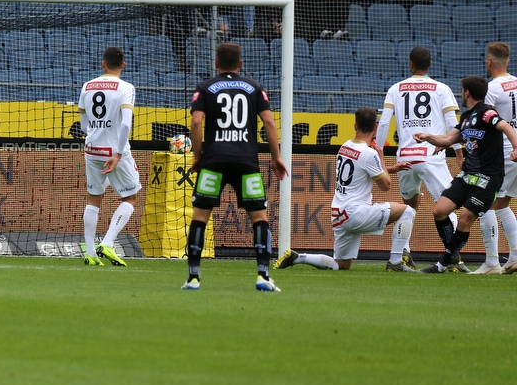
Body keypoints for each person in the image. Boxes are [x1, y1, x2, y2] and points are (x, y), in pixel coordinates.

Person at [184, 42, 289, 291]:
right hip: (246, 161)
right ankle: (263, 275)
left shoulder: (205, 87)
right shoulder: (254, 87)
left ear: (216, 63)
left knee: (200, 217)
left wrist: (198, 156)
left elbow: (196, 123)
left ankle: (193, 278)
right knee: (259, 218)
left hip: (213, 162)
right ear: (240, 64)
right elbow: (269, 123)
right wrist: (276, 157)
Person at [375, 46, 483, 272]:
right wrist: (459, 153)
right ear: (430, 65)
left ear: (410, 64)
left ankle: (399, 256)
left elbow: (384, 123)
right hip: (430, 156)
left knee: (408, 207)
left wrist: (380, 153)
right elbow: (453, 123)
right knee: (447, 207)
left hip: (405, 157)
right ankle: (454, 259)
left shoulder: (396, 88)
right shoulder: (441, 88)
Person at [275, 108, 417, 272]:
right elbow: (386, 186)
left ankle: (299, 257)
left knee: (341, 265)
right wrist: (382, 158)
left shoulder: (344, 147)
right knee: (408, 211)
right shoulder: (370, 153)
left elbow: (361, 172)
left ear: (355, 126)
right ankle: (395, 261)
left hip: (339, 214)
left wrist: (391, 169)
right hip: (357, 213)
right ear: (376, 128)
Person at [415, 76, 517, 274]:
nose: (461, 94)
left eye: (462, 91)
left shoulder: (487, 112)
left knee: (464, 219)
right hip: (467, 175)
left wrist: (516, 146)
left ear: (467, 93)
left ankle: (442, 264)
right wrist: (428, 137)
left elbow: (505, 126)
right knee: (439, 211)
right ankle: (451, 253)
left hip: (488, 178)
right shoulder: (466, 117)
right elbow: (448, 139)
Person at [78, 46, 141, 267]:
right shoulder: (126, 87)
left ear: (102, 63)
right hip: (115, 151)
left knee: (93, 198)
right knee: (130, 198)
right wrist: (117, 153)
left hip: (92, 149)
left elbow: (84, 126)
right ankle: (107, 243)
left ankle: (89, 253)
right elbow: (125, 123)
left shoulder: (87, 86)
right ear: (123, 65)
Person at [477, 42, 517, 274]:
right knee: (503, 202)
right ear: (508, 61)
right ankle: (513, 257)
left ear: (489, 61)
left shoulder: (492, 88)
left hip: (503, 152)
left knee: (483, 203)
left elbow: (486, 121)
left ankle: (491, 262)